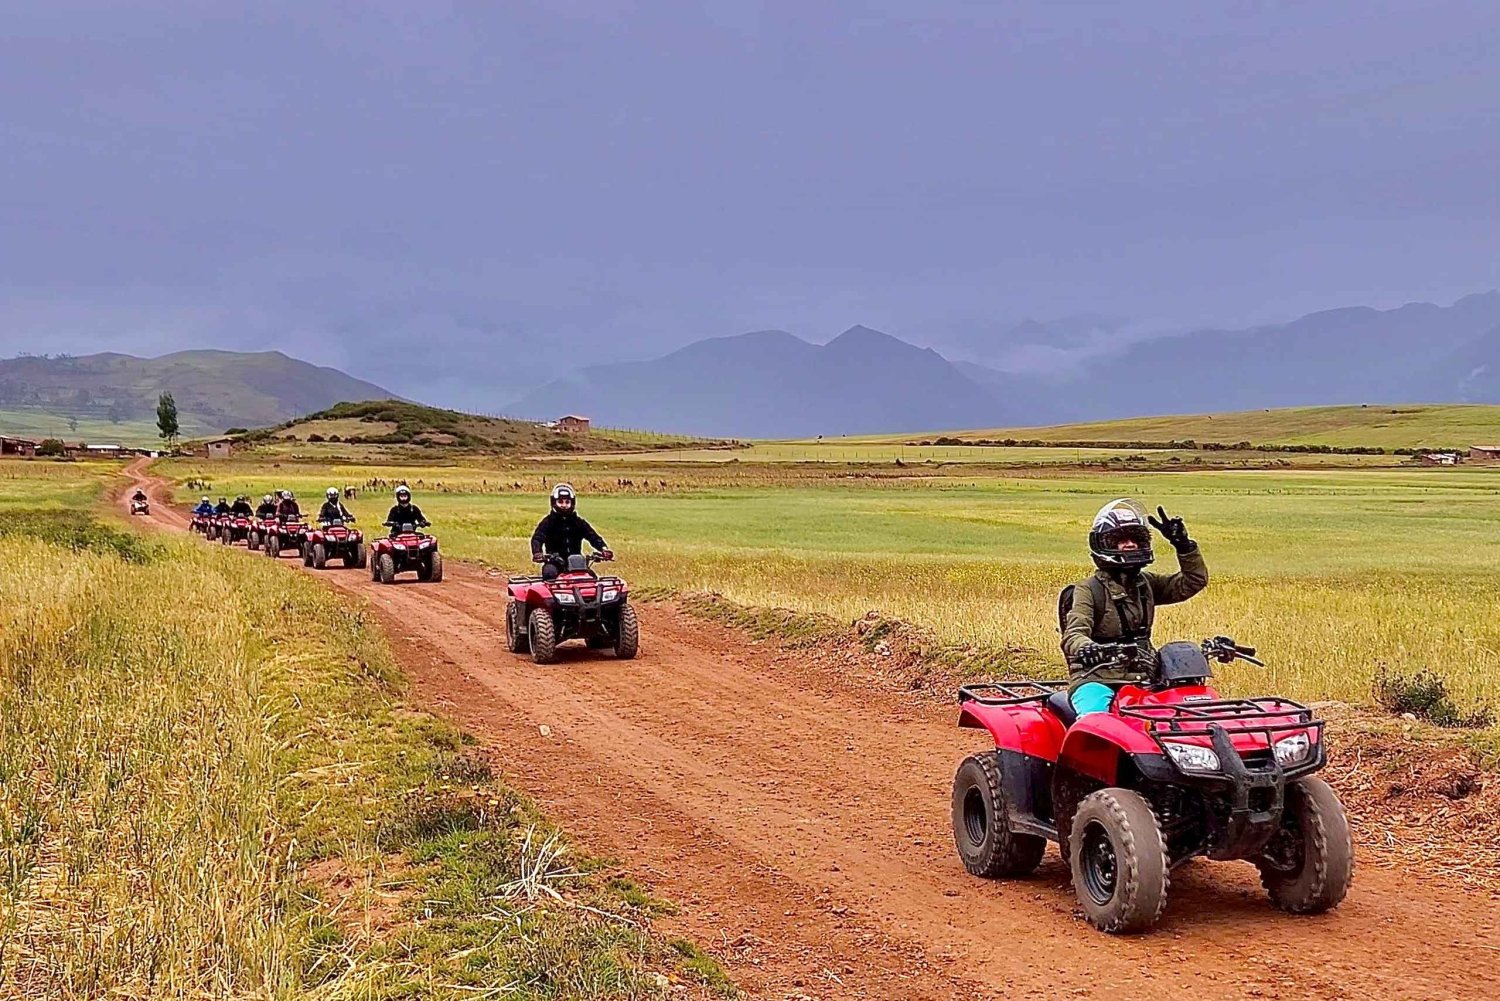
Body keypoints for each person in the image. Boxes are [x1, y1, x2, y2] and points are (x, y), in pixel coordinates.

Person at [1060, 499, 1208, 717]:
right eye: (1120, 540)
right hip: (1098, 678)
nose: (1130, 545)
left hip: (1146, 675)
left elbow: (1192, 582)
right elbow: (1073, 634)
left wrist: (1184, 546)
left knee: (1187, 713)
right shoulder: (1088, 589)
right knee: (1096, 722)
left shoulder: (1144, 583)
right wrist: (1088, 648)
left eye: (1136, 539)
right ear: (1103, 544)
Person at [530, 483, 610, 579]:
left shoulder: (578, 522)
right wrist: (537, 552)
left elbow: (593, 536)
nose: (564, 505)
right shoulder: (548, 522)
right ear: (554, 503)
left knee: (592, 578)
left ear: (572, 503)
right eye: (560, 502)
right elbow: (537, 538)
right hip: (554, 562)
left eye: (567, 502)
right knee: (549, 573)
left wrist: (604, 549)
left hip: (577, 562)